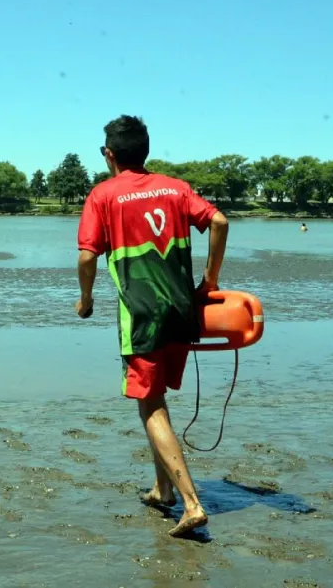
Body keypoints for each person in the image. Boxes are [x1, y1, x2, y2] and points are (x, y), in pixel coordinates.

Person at [76, 115, 228, 538]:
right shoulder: (176, 188)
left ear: (110, 154)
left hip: (142, 317)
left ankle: (191, 503)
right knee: (157, 397)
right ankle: (162, 489)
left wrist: (85, 300)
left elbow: (88, 256)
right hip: (183, 312)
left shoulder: (103, 195)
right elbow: (219, 222)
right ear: (145, 151)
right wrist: (210, 281)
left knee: (150, 405)